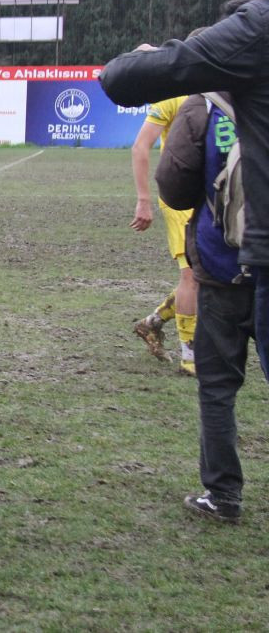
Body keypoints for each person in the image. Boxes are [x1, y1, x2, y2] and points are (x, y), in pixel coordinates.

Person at [100, 0, 269, 385]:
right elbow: (142, 145)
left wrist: (156, 58)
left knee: (197, 282)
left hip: (220, 219)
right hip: (219, 218)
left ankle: (189, 346)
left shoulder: (249, 40)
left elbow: (124, 79)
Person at [155, 88, 253, 524]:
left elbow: (174, 188)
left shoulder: (205, 106)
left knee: (217, 388)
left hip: (223, 267)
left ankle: (224, 496)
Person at [130, 95, 198, 374]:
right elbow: (140, 146)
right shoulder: (174, 96)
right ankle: (191, 358)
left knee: (210, 274)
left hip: (213, 196)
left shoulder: (220, 88)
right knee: (192, 275)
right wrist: (144, 199)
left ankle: (153, 323)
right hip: (180, 196)